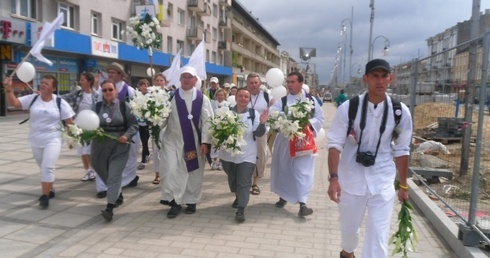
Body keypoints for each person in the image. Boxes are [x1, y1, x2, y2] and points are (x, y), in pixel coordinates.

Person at [327, 59, 413, 258]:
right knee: (348, 231)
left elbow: (402, 150)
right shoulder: (349, 108)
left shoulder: (400, 112)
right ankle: (347, 252)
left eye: (384, 76)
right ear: (366, 78)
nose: (380, 81)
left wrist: (403, 185)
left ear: (390, 79)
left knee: (378, 236)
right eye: (375, 76)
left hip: (382, 180)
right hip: (351, 178)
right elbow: (334, 145)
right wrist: (333, 178)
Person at [4, 75, 75, 208]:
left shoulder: (60, 102)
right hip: (35, 138)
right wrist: (8, 89)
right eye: (42, 82)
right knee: (42, 166)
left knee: (48, 166)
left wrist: (72, 140)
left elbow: (70, 122)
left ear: (53, 88)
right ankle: (50, 188)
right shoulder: (33, 98)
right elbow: (15, 103)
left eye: (46, 84)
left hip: (53, 138)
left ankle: (44, 196)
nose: (42, 85)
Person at [159, 66, 213, 218]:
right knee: (171, 170)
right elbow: (163, 118)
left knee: (193, 172)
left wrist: (205, 142)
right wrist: (153, 119)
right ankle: (174, 201)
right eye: (184, 77)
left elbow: (208, 121)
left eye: (190, 77)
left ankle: (191, 200)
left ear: (196, 80)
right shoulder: (171, 97)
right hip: (172, 140)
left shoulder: (202, 98)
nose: (187, 80)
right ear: (180, 79)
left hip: (194, 142)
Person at [269, 71, 324, 217]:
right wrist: (286, 122)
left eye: (293, 82)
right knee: (285, 169)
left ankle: (303, 203)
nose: (290, 85)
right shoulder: (283, 101)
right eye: (288, 82)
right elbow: (273, 114)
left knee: (302, 172)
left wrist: (307, 125)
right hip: (286, 142)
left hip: (303, 142)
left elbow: (320, 118)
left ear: (301, 83)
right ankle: (283, 196)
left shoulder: (310, 101)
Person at [91, 80, 138, 221]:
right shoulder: (97, 106)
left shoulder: (124, 106)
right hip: (100, 144)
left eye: (110, 89)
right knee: (98, 167)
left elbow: (134, 125)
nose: (107, 92)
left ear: (115, 91)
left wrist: (126, 135)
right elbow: (90, 122)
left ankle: (110, 207)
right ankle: (117, 192)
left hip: (119, 146)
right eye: (104, 90)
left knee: (114, 175)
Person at [221, 88, 268, 222]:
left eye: (246, 97)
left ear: (249, 100)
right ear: (236, 98)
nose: (243, 99)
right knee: (233, 179)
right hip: (228, 155)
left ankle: (241, 209)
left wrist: (263, 123)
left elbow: (258, 133)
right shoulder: (226, 112)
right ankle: (238, 196)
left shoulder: (254, 114)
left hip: (247, 154)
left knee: (244, 181)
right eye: (240, 96)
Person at [95, 62, 140, 198]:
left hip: (125, 130)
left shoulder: (130, 90)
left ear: (120, 75)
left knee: (130, 158)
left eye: (113, 72)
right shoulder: (102, 90)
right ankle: (103, 187)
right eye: (109, 72)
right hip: (107, 130)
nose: (110, 74)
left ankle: (129, 178)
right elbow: (97, 107)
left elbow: (137, 109)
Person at [61, 73, 99, 181]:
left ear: (89, 82)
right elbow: (64, 98)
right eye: (80, 80)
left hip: (91, 125)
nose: (80, 82)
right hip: (78, 125)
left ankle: (92, 170)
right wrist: (49, 96)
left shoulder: (96, 95)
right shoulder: (77, 94)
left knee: (89, 150)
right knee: (82, 150)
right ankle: (88, 171)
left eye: (82, 80)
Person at [246, 72, 273, 195]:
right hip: (244, 130)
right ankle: (245, 179)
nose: (253, 85)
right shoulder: (244, 95)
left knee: (261, 155)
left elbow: (274, 110)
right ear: (247, 84)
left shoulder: (267, 96)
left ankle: (256, 182)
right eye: (251, 83)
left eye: (255, 82)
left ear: (260, 84)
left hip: (261, 130)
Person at [151, 73, 169, 184]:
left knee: (166, 150)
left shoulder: (169, 94)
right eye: (157, 80)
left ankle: (166, 172)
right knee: (156, 150)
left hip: (166, 126)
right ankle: (157, 174)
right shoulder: (150, 95)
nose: (159, 82)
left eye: (161, 80)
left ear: (165, 82)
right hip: (154, 126)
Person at [209, 88, 230, 170]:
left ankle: (221, 162)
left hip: (224, 127)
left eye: (222, 95)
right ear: (216, 96)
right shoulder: (212, 103)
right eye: (218, 95)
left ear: (224, 96)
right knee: (214, 144)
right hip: (214, 126)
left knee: (223, 144)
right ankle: (214, 161)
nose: (220, 96)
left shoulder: (228, 104)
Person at [136, 79, 151, 171]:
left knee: (145, 142)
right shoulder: (136, 96)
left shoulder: (150, 96)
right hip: (139, 123)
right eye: (142, 85)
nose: (144, 87)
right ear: (139, 87)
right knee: (143, 141)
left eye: (146, 85)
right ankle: (148, 154)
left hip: (147, 123)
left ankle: (143, 161)